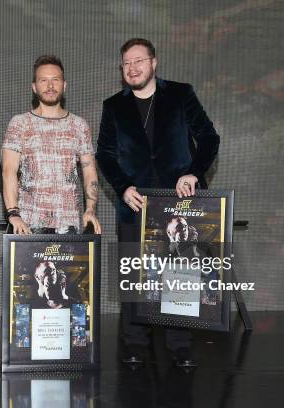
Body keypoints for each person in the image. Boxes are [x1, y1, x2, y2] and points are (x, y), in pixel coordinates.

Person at [96, 38, 220, 367]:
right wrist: (122, 187)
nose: (133, 67)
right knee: (135, 276)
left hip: (179, 202)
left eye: (139, 60)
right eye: (126, 63)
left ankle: (179, 344)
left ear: (154, 62)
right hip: (135, 204)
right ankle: (134, 342)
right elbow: (104, 156)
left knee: (180, 273)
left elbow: (209, 137)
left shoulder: (181, 94)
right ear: (122, 70)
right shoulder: (113, 106)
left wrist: (193, 172)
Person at [2, 55, 101, 235]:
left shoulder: (79, 125)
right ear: (34, 87)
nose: (49, 86)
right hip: (28, 225)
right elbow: (9, 170)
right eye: (43, 80)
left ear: (64, 85)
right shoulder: (19, 123)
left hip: (68, 225)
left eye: (55, 80)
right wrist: (13, 213)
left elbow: (90, 171)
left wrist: (90, 209)